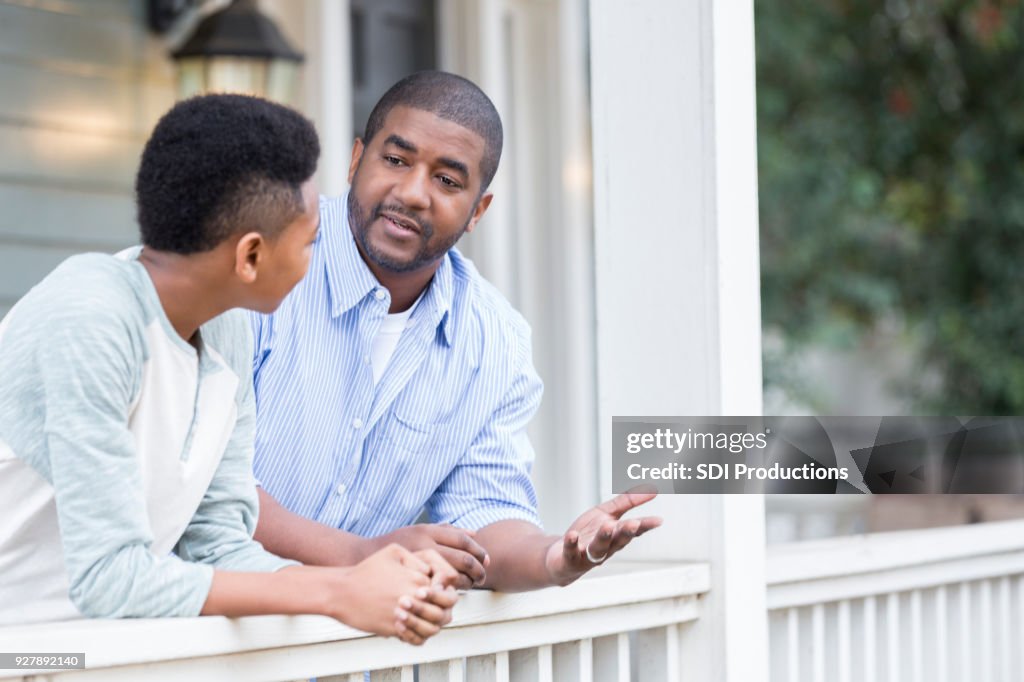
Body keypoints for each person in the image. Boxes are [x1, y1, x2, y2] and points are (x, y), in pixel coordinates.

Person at [0, 93, 457, 644]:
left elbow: (216, 540)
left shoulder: (223, 329)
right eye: (310, 243)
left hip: (82, 659)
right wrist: (334, 593)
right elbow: (109, 578)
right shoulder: (89, 317)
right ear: (250, 257)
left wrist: (366, 584)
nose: (317, 263)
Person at [251, 71, 661, 591]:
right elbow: (207, 480)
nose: (413, 193)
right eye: (395, 160)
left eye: (447, 181)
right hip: (197, 633)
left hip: (352, 659)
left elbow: (485, 512)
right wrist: (359, 555)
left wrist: (556, 558)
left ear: (477, 211)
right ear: (356, 160)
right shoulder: (260, 261)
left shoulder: (495, 342)